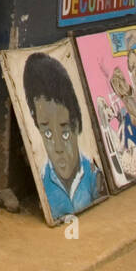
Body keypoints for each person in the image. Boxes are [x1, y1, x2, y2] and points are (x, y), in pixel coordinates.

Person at [22, 53, 100, 221]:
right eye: (48, 134)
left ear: (77, 125)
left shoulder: (95, 176)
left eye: (65, 133)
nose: (57, 147)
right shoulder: (43, 183)